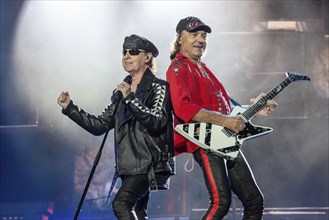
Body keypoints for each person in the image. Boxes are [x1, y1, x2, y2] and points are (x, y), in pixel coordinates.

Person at [166, 16, 278, 220]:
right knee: (221, 202)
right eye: (194, 34)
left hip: (225, 140)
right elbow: (183, 108)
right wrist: (226, 121)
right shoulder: (178, 67)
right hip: (206, 142)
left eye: (203, 35)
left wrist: (255, 108)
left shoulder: (203, 68)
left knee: (254, 201)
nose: (200, 39)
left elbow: (226, 107)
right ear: (180, 38)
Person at [57, 34, 175, 220]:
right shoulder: (121, 92)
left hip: (149, 165)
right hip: (128, 167)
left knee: (121, 204)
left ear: (147, 57)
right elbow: (99, 125)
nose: (127, 56)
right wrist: (70, 108)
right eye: (124, 52)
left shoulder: (159, 87)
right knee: (138, 212)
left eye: (134, 52)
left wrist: (130, 99)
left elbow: (157, 121)